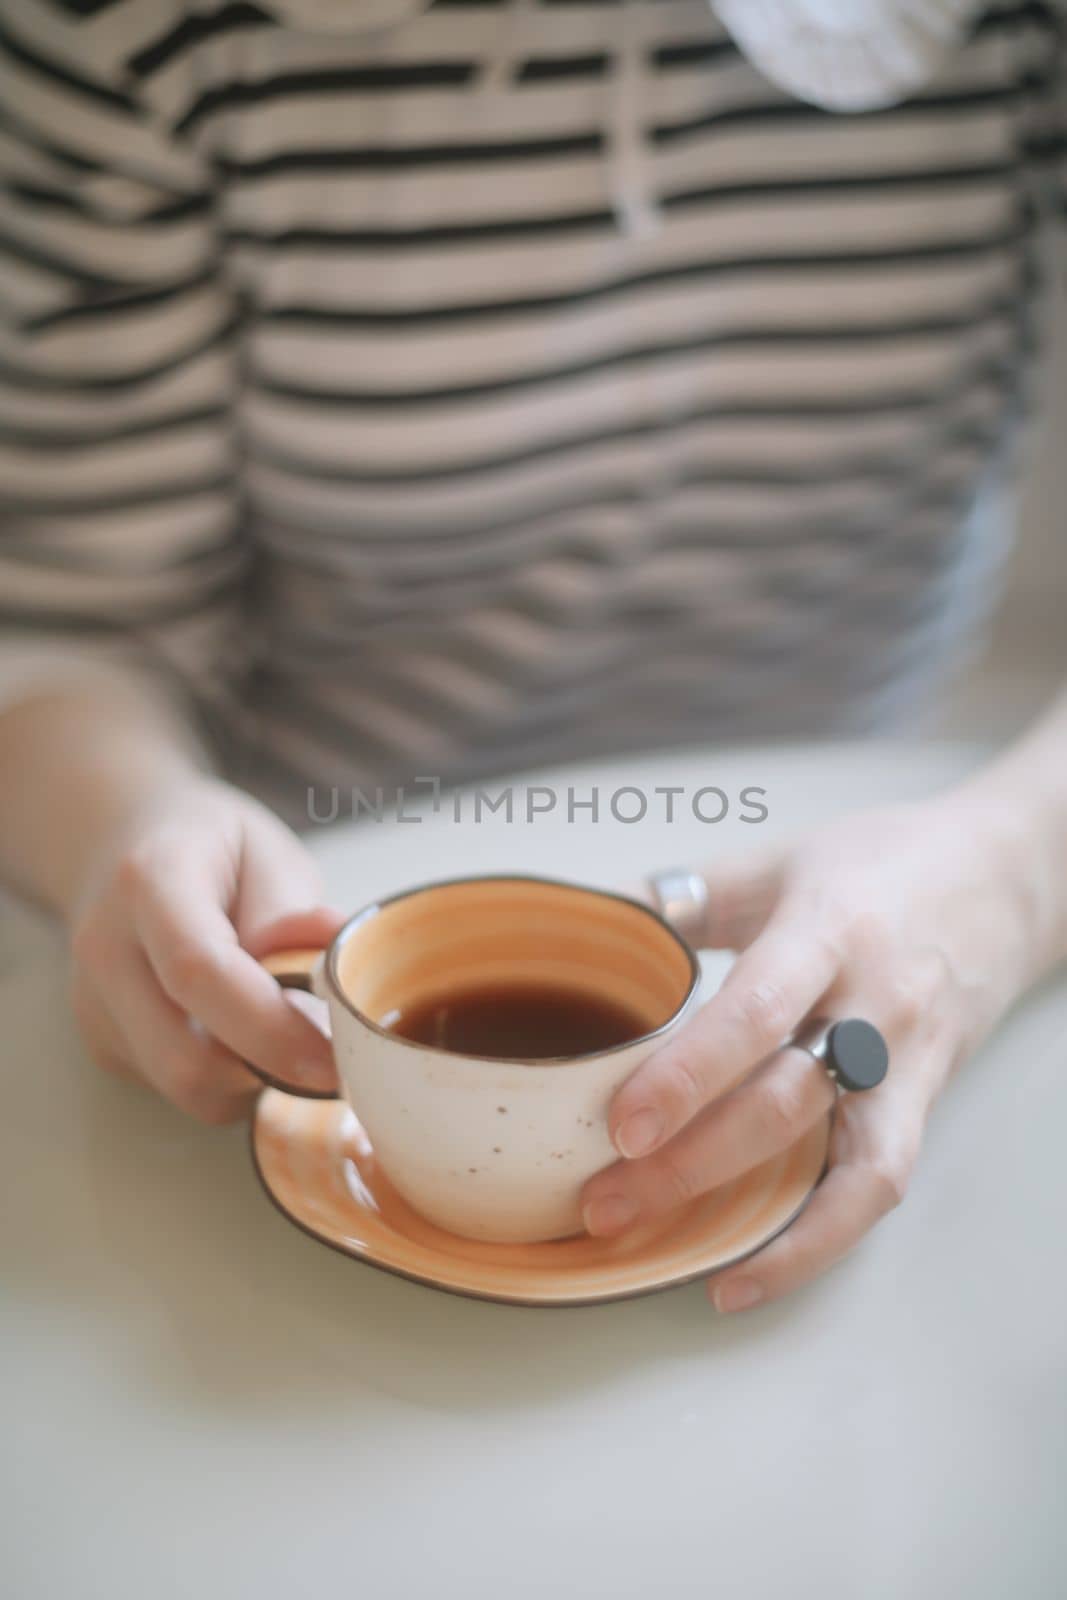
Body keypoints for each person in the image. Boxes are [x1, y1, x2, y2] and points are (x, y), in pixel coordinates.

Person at [1, 0, 1064, 1313]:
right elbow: (67, 626)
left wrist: (1010, 878)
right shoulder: (131, 30)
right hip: (320, 899)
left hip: (906, 943)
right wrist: (127, 822)